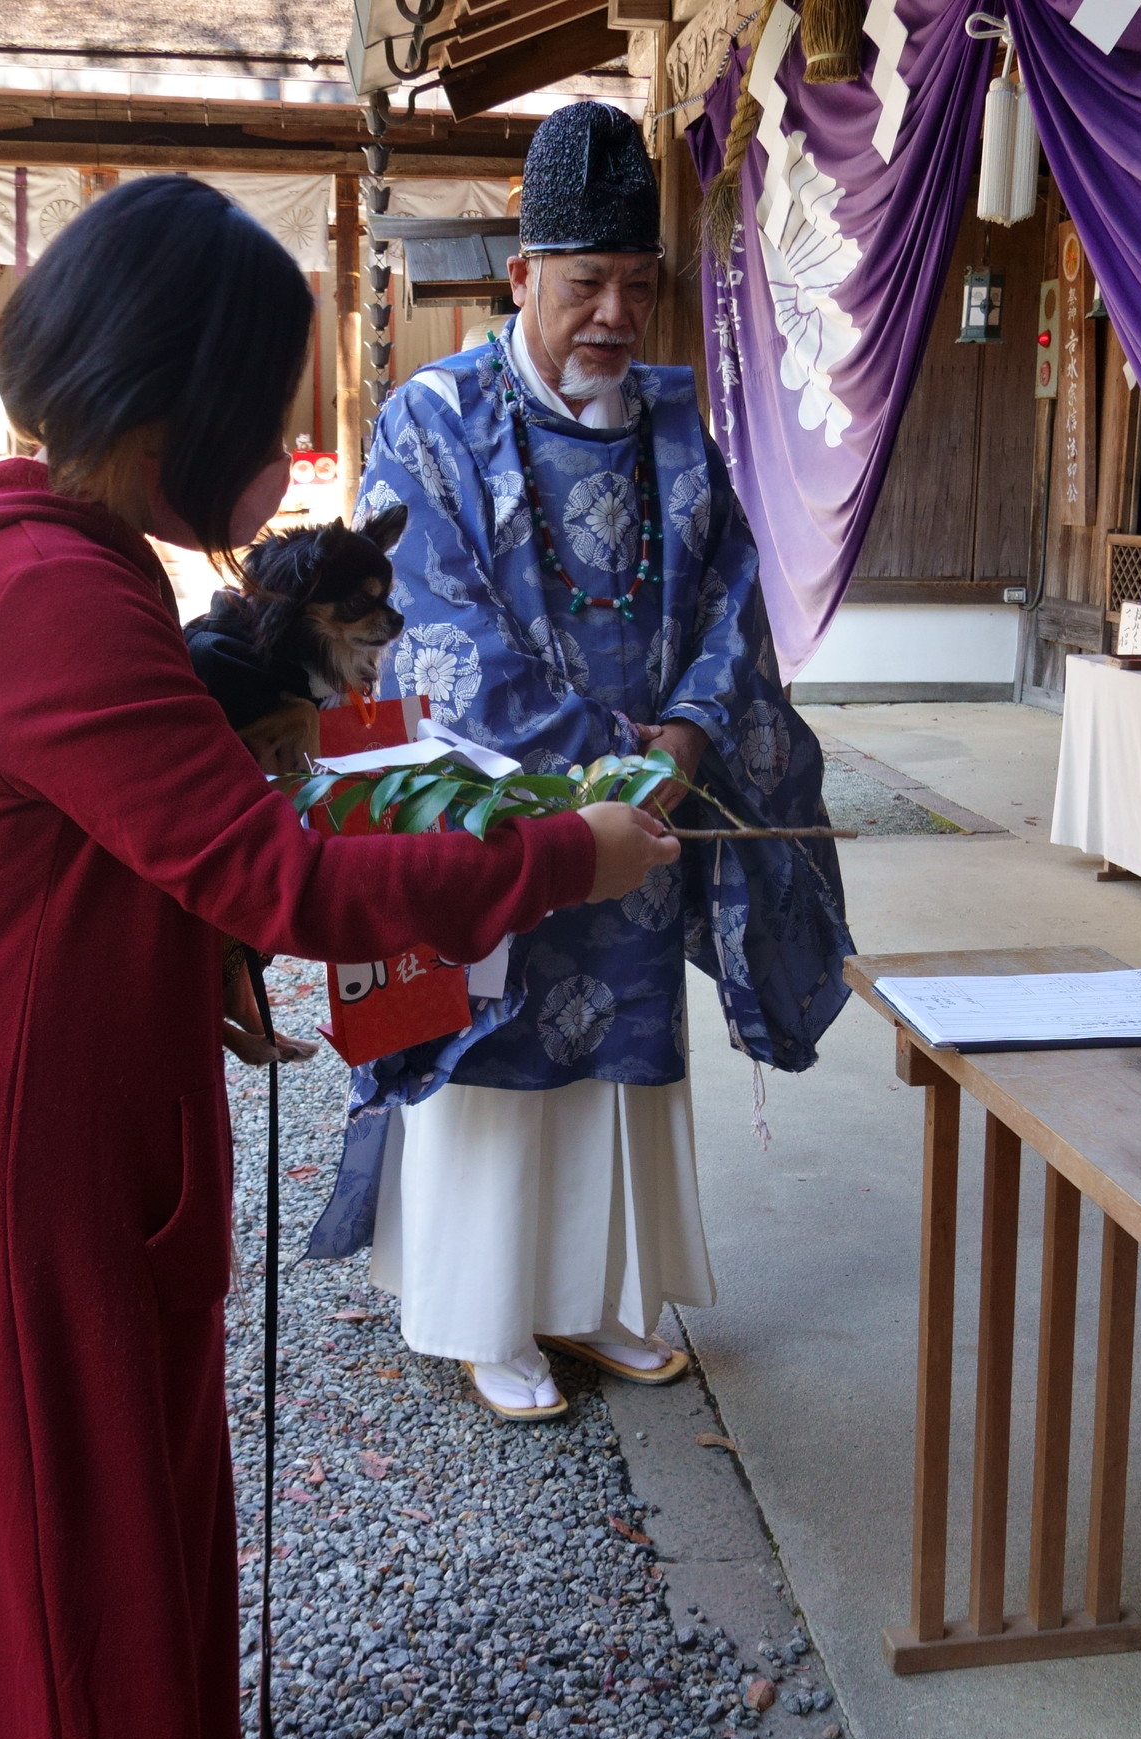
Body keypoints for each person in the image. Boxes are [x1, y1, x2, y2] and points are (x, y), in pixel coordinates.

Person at [0, 174, 677, 1739]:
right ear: (176, 413)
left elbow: (121, 852)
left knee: (138, 1535)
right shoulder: (51, 600)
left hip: (75, 1118)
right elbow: (283, 879)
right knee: (66, 1575)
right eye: (266, 412)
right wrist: (564, 858)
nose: (285, 455)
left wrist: (188, 949)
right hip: (30, 1158)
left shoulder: (46, 555)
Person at [301, 100, 855, 1419]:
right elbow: (438, 634)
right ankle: (485, 1312)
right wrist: (604, 772)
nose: (612, 314)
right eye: (585, 282)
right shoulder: (432, 421)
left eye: (637, 287)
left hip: (652, 798)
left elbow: (736, 598)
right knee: (499, 1050)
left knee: (620, 1050)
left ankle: (601, 1300)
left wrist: (682, 745)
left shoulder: (675, 420)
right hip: (497, 809)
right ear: (521, 279)